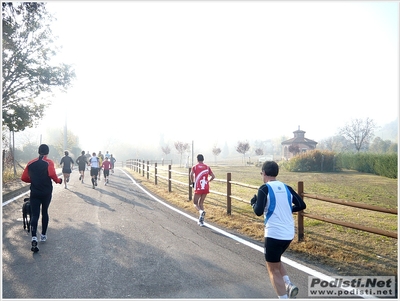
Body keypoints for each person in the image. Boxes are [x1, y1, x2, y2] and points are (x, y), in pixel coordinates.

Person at [251, 161, 306, 299]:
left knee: (272, 269)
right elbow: (301, 204)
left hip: (274, 233)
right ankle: (288, 284)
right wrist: (289, 209)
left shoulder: (264, 188)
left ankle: (283, 297)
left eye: (261, 173)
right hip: (288, 233)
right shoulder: (286, 187)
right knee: (275, 260)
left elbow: (258, 212)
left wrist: (253, 203)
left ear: (264, 172)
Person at [21, 144, 63, 252]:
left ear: (38, 151)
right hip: (46, 192)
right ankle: (43, 235)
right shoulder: (49, 162)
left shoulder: (31, 163)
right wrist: (58, 181)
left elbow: (24, 177)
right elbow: (52, 174)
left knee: (35, 214)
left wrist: (34, 181)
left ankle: (34, 236)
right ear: (47, 152)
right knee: (45, 212)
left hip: (35, 192)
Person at [190, 154, 215, 226]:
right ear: (203, 159)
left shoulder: (195, 167)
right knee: (201, 203)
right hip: (205, 187)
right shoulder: (207, 167)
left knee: (195, 203)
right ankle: (201, 221)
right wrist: (208, 181)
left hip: (198, 187)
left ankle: (201, 212)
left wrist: (193, 182)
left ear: (197, 159)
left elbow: (191, 174)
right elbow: (213, 176)